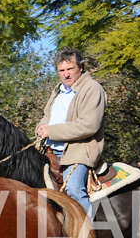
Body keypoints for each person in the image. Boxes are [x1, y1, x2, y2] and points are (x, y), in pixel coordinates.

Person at [35, 48, 106, 218]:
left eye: (70, 69)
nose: (66, 75)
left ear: (80, 67)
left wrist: (50, 131)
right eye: (61, 70)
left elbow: (88, 125)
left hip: (79, 151)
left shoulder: (92, 89)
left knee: (74, 189)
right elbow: (48, 116)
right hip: (51, 151)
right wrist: (41, 127)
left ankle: (87, 237)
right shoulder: (58, 90)